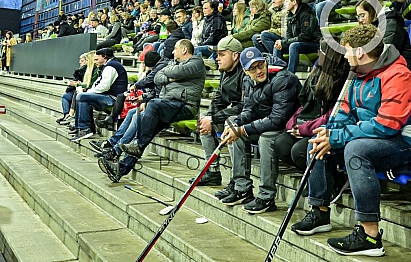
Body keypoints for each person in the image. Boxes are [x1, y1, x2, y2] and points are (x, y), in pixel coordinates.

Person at [290, 24, 411, 257]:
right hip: (376, 138)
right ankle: (320, 212)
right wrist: (330, 132)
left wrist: (339, 137)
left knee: (356, 150)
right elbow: (343, 113)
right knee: (319, 140)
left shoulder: (399, 76)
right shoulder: (358, 74)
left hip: (409, 144)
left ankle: (370, 236)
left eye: (347, 51)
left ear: (360, 52)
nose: (345, 56)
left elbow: (387, 125)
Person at [102, 39, 206, 182]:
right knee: (142, 119)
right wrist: (170, 78)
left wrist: (168, 74)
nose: (172, 52)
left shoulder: (197, 63)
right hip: (168, 105)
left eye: (175, 49)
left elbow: (177, 72)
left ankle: (134, 146)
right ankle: (120, 168)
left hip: (185, 106)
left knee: (152, 105)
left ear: (184, 50)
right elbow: (157, 77)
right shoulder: (173, 63)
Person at [218, 47, 301, 214]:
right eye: (252, 68)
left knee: (266, 138)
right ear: (245, 71)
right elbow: (249, 109)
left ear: (265, 61)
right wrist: (237, 124)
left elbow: (278, 119)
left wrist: (243, 129)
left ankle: (266, 196)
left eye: (260, 65)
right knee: (232, 123)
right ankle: (242, 187)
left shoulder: (283, 79)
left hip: (289, 128)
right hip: (266, 124)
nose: (258, 71)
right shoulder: (248, 80)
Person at [275, 40, 351, 171]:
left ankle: (328, 180)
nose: (317, 54)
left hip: (324, 128)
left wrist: (305, 128)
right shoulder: (315, 74)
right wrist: (293, 124)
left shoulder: (342, 80)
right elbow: (303, 105)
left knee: (300, 151)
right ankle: (312, 177)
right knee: (281, 145)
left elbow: (332, 115)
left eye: (320, 51)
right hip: (307, 123)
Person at [194, 37, 247, 187]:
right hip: (234, 112)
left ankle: (238, 181)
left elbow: (244, 106)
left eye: (222, 54)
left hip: (247, 115)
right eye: (217, 55)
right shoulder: (225, 71)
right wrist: (209, 118)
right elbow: (219, 99)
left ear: (235, 56)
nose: (217, 58)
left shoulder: (246, 72)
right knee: (203, 119)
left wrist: (213, 120)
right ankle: (212, 171)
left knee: (230, 123)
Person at [72, 48, 128, 141]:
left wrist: (87, 93)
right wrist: (88, 92)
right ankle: (81, 128)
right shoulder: (108, 65)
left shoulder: (111, 66)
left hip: (113, 99)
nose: (95, 62)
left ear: (104, 57)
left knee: (82, 97)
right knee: (83, 96)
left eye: (96, 59)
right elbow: (97, 84)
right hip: (110, 97)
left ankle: (84, 129)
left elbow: (104, 87)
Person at [356, 0, 411, 74]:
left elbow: (386, 55)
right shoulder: (375, 25)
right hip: (385, 70)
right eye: (358, 16)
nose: (360, 20)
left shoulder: (391, 24)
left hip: (399, 73)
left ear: (373, 11)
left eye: (362, 15)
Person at [274, 0, 322, 74]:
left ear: (294, 2)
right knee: (277, 46)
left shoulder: (306, 14)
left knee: (294, 46)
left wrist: (285, 42)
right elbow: (288, 35)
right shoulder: (290, 16)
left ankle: (289, 75)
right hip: (299, 42)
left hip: (313, 43)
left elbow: (305, 36)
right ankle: (278, 74)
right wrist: (282, 42)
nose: (284, 4)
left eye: (287, 1)